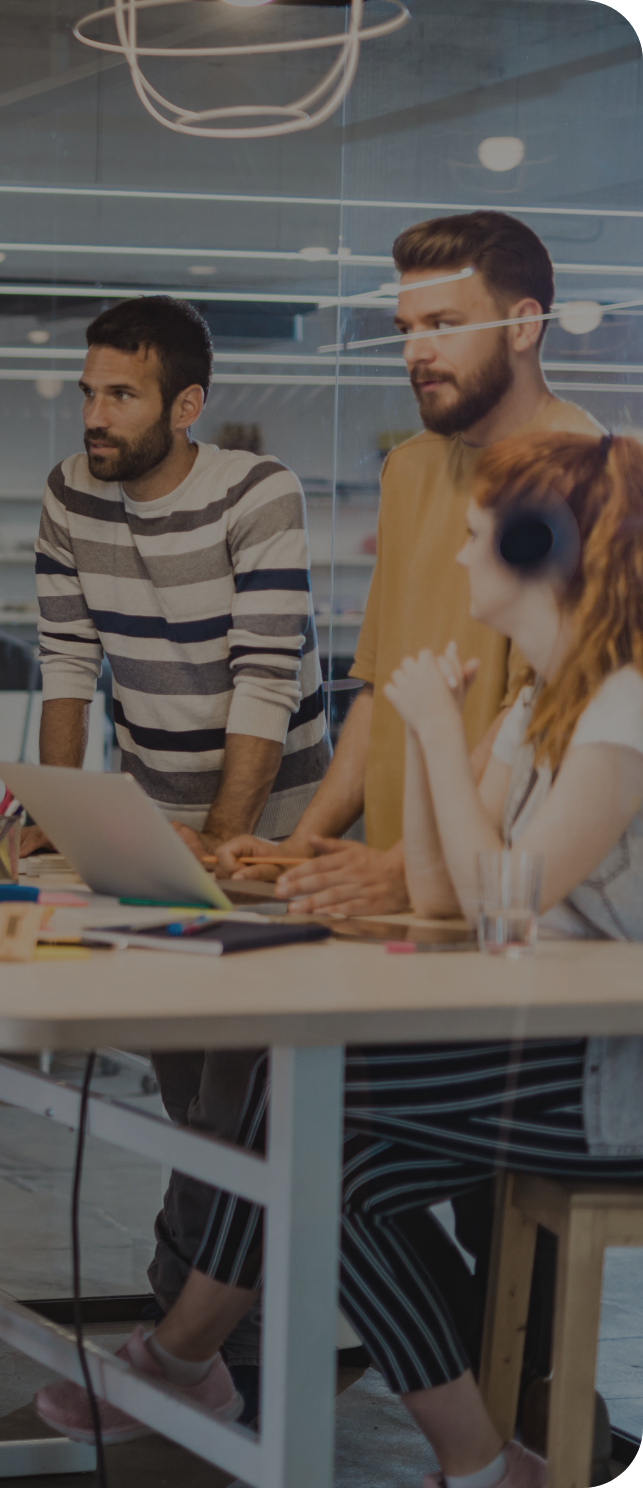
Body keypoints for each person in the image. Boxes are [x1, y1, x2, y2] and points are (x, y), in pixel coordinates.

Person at [35, 429, 643, 1488]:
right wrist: (437, 739)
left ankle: (187, 1359)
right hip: (545, 1048)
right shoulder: (535, 706)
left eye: (472, 540)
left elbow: (501, 900)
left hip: (612, 1083)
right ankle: (473, 1460)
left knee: (314, 1137)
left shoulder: (623, 706)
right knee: (317, 1136)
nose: (455, 562)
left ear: (543, 549)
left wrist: (429, 738)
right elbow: (448, 883)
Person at [32, 294, 328, 1410]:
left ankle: (193, 1348)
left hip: (274, 821)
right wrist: (62, 820)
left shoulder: (258, 495)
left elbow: (265, 676)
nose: (94, 414)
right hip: (143, 819)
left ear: (185, 404)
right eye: (88, 389)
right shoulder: (70, 493)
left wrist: (228, 841)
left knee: (234, 1091)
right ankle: (195, 1350)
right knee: (185, 1091)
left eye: (120, 394)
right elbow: (65, 660)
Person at [216, 211, 605, 916]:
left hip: (495, 897)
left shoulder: (581, 474)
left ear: (522, 326)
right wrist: (305, 844)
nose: (414, 353)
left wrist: (407, 872)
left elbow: (534, 712)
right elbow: (376, 687)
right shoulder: (408, 468)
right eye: (405, 330)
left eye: (443, 325)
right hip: (391, 885)